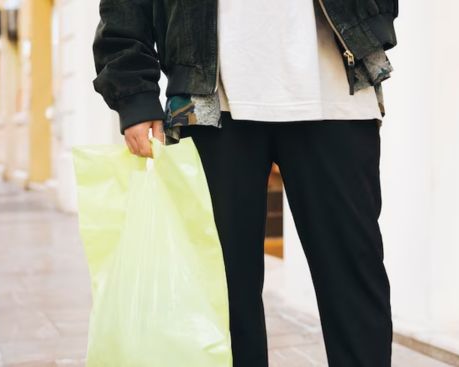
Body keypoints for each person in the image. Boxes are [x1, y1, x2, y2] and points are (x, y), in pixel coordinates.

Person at [92, 0, 399, 366]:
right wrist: (134, 94)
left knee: (354, 283)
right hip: (208, 99)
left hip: (336, 89)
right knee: (223, 295)